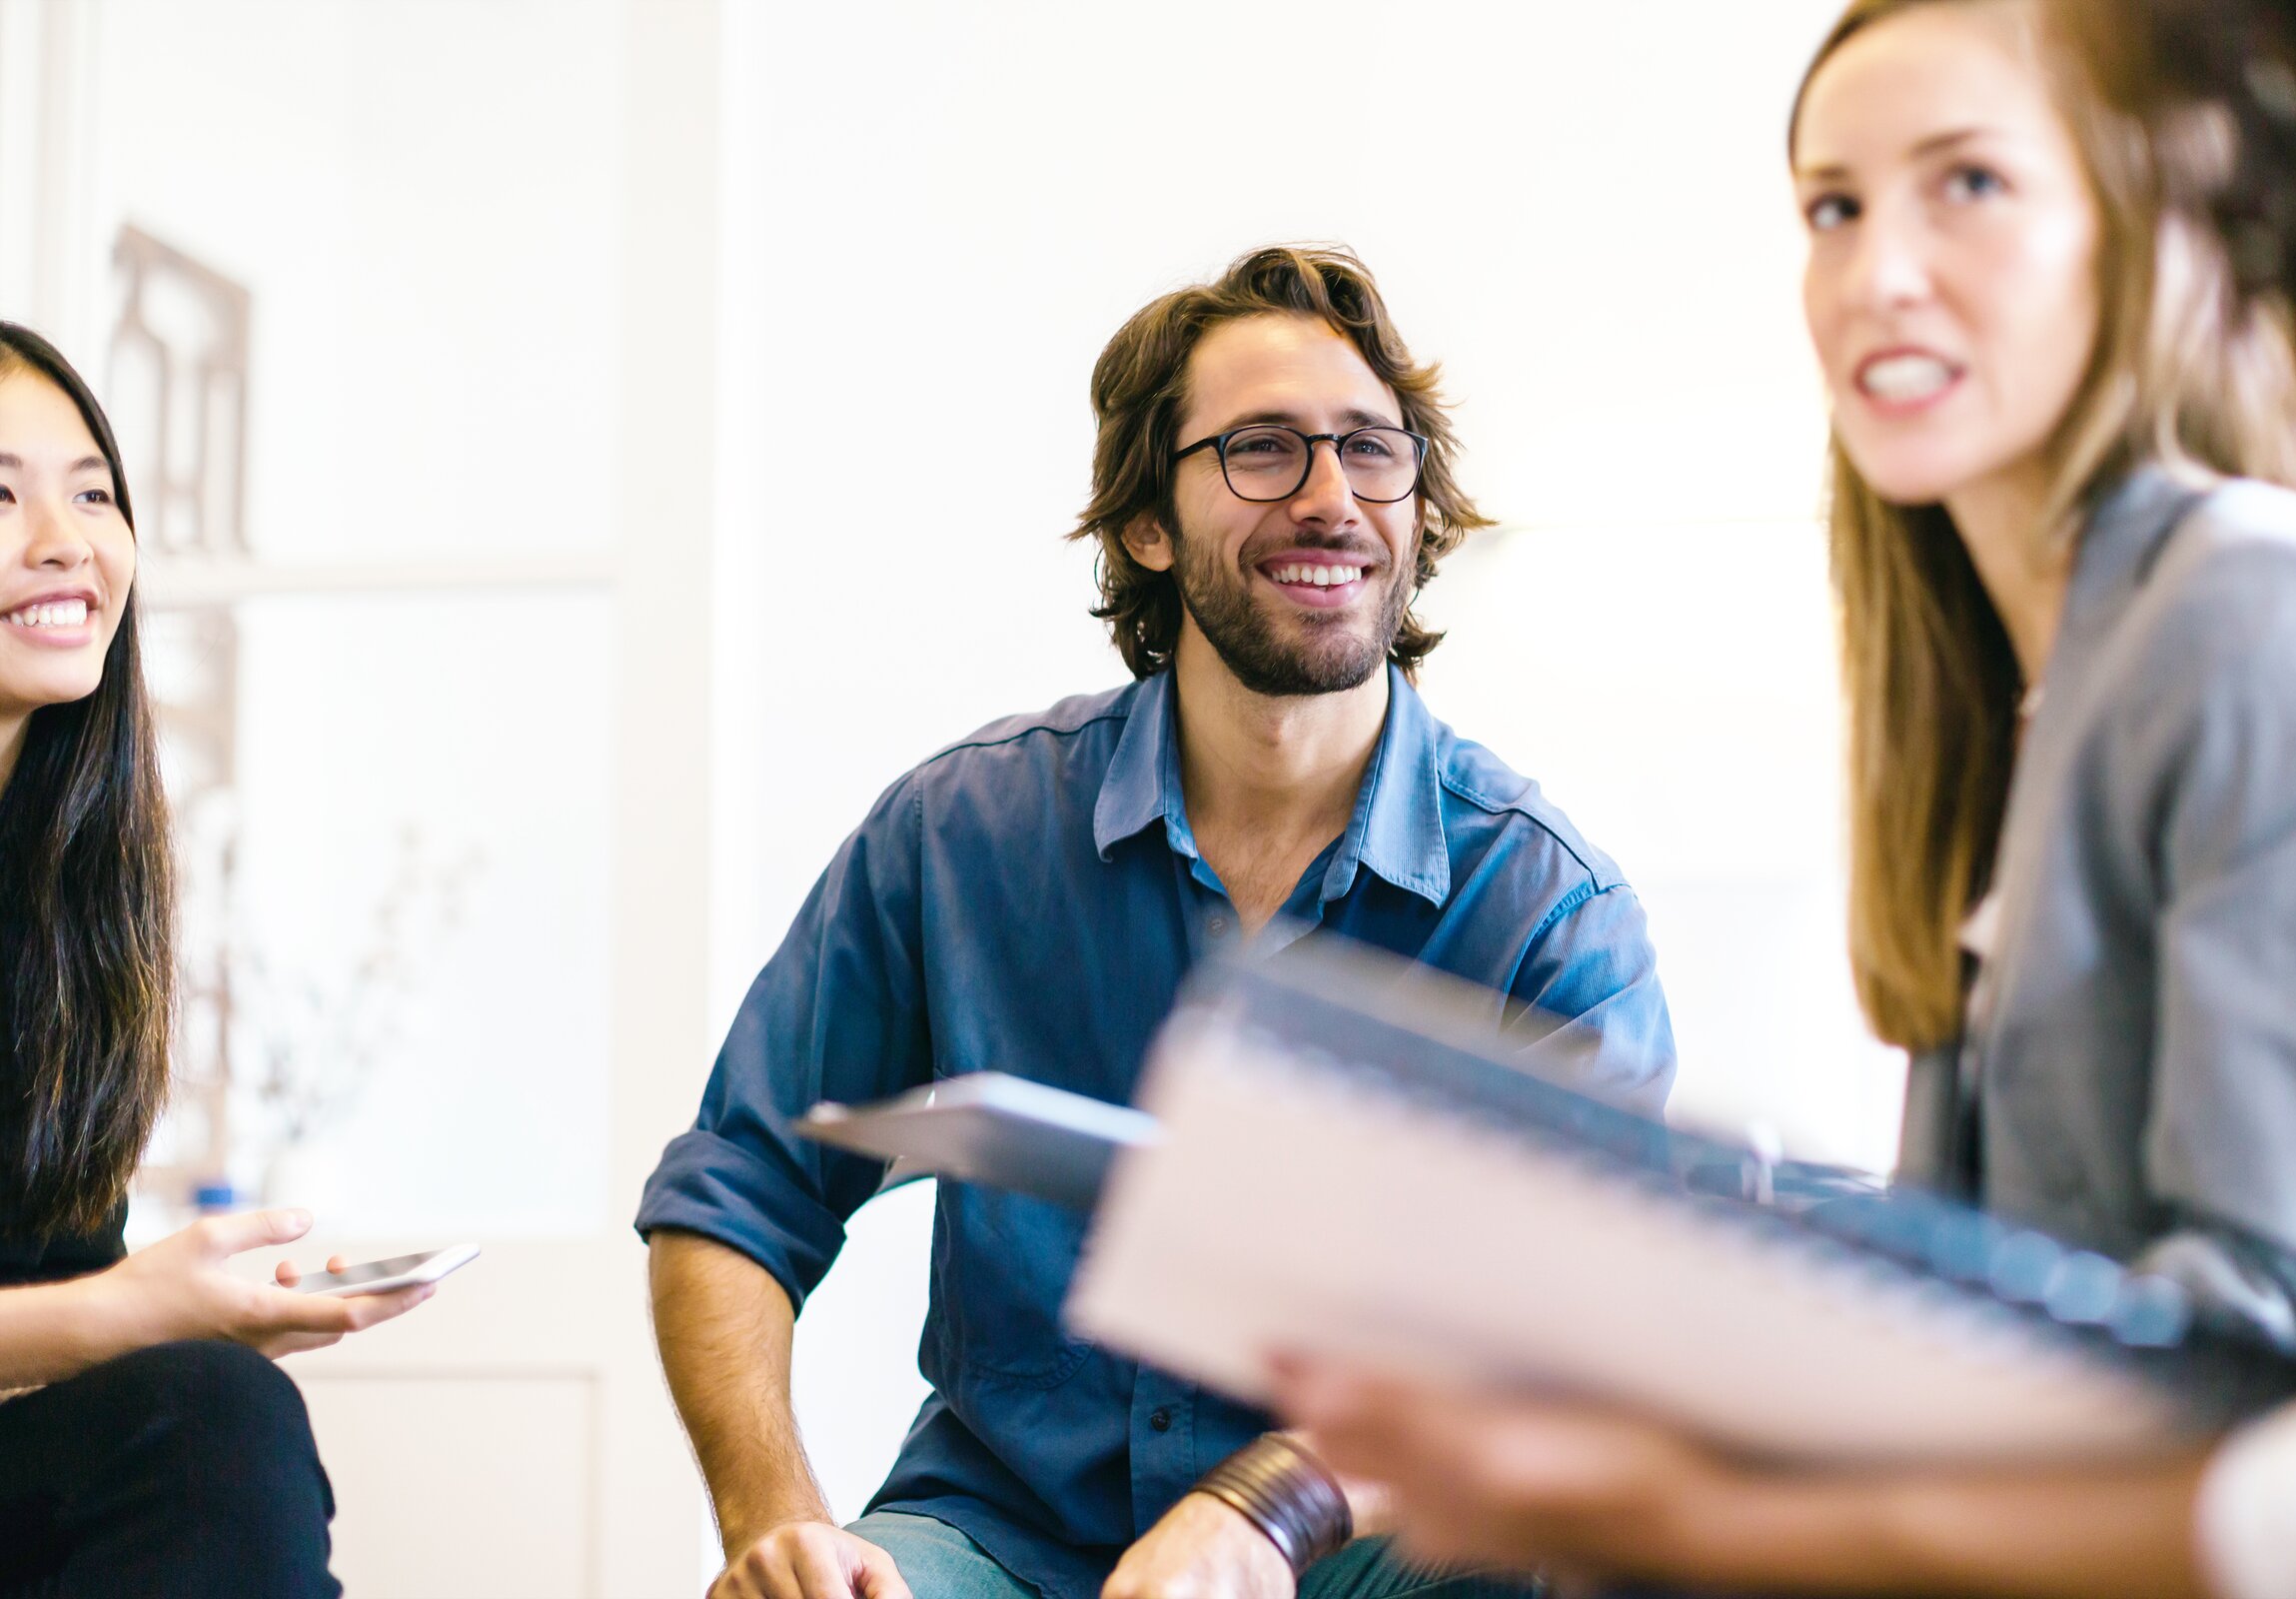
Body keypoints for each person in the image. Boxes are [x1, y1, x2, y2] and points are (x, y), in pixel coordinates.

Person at [1273, 1, 2296, 1594]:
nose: (1878, 272)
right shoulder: (2012, 703)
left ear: (2135, 227)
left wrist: (1691, 1485)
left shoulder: (2247, 616)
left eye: (1972, 186)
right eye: (1833, 207)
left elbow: (2291, 1377)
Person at [636, 245, 1679, 1599]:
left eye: (1372, 450)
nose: (1328, 498)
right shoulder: (960, 836)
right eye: (1260, 450)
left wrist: (1265, 1508)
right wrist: (773, 1522)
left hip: (1374, 1547)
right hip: (1001, 1540)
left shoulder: (1547, 914)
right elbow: (737, 1192)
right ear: (1145, 521)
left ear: (1419, 512)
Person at [0, 322, 433, 1599]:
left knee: (213, 1428)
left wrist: (151, 1314)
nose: (67, 540)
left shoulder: (67, 892)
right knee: (210, 1415)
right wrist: (135, 1314)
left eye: (91, 492)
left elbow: (62, 1297)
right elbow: (93, 1317)